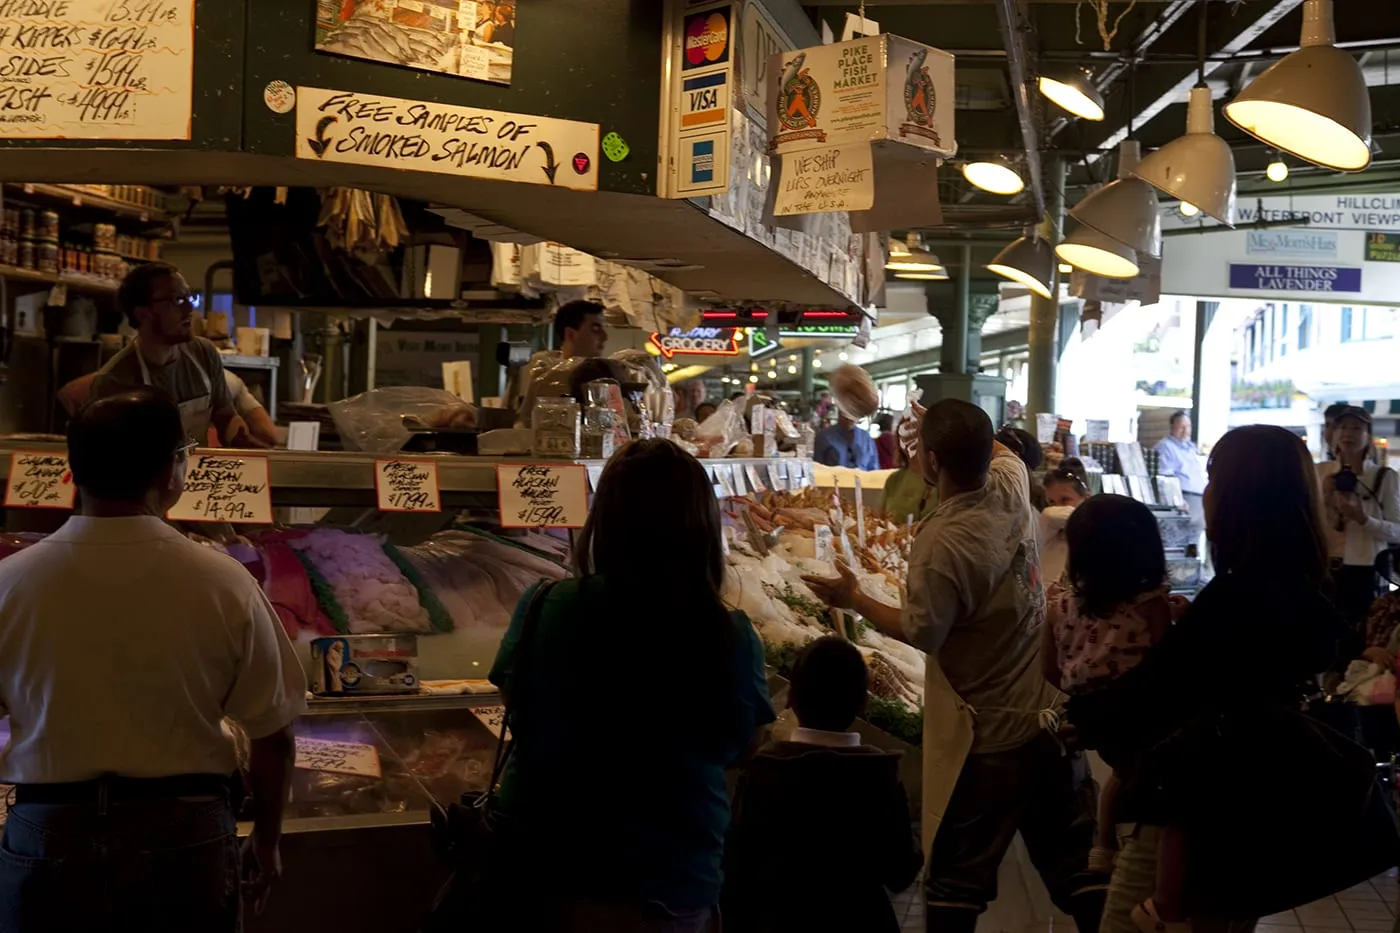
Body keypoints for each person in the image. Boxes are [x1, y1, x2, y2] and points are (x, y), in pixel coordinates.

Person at [1067, 426, 1395, 930]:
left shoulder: (1240, 592)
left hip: (1196, 809)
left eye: (1215, 473)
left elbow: (1156, 691)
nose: (1208, 487)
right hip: (1254, 811)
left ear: (1243, 492)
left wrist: (1075, 716)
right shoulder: (1298, 581)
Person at [0, 388, 305, 931]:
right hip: (184, 833)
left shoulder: (10, 582)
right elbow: (274, 734)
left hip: (47, 829)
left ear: (72, 471)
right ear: (171, 471)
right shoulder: (223, 581)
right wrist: (268, 838)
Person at [804, 399, 1106, 933]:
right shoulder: (1013, 485)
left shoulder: (940, 543)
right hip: (1048, 715)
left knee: (954, 886)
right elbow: (996, 449)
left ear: (931, 461)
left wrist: (853, 596)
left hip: (986, 737)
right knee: (1078, 869)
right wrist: (945, 421)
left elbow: (923, 631)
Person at [487, 439, 775, 931]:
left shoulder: (547, 603)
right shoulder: (728, 633)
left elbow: (516, 703)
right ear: (700, 530)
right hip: (671, 875)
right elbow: (741, 746)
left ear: (606, 523)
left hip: (547, 863)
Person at [1042, 495, 1188, 932]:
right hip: (1145, 724)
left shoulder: (1060, 602)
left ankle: (1103, 848)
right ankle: (1159, 896)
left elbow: (1048, 668)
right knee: (1157, 800)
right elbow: (1169, 669)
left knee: (1119, 781)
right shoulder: (1151, 605)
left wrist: (1084, 692)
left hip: (1088, 709)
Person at [723, 636, 921, 933]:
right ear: (863, 704)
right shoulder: (880, 776)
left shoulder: (763, 771)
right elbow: (900, 870)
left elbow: (737, 866)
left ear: (790, 697)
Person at [89, 263, 260, 447]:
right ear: (142, 314)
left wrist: (238, 435)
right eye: (177, 299)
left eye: (189, 297)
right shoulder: (115, 382)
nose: (189, 309)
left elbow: (224, 414)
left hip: (197, 471)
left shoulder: (203, 353)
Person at [1317, 406, 1400, 650]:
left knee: (1363, 644)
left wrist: (1364, 519)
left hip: (1366, 572)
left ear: (1368, 436)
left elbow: (1397, 530)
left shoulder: (1384, 477)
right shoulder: (1320, 473)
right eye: (1342, 427)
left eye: (1357, 428)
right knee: (1327, 645)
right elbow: (1311, 523)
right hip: (1326, 569)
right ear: (1332, 434)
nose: (1348, 433)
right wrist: (1324, 497)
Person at [509, 300, 609, 421]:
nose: (605, 337)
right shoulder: (541, 368)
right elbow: (523, 421)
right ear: (571, 334)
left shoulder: (603, 375)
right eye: (595, 329)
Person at [1153, 411, 1206, 535]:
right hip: (1184, 500)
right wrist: (1178, 499)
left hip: (1199, 501)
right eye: (1182, 426)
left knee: (1194, 548)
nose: (1186, 430)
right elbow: (1165, 476)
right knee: (1181, 543)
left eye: (1188, 426)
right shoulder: (1165, 447)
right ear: (1172, 427)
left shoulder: (1190, 448)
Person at [1039, 464, 1092, 586]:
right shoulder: (1048, 521)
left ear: (1086, 498)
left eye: (1065, 500)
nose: (1057, 507)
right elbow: (1051, 514)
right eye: (1051, 502)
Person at [881, 416, 938, 524]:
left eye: (915, 434)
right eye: (905, 435)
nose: (910, 440)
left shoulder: (939, 479)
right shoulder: (894, 480)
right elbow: (879, 519)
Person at [814, 411, 879, 471]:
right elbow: (817, 468)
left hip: (863, 481)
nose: (850, 418)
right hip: (834, 481)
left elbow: (874, 468)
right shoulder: (825, 436)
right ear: (840, 413)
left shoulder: (866, 438)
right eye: (847, 413)